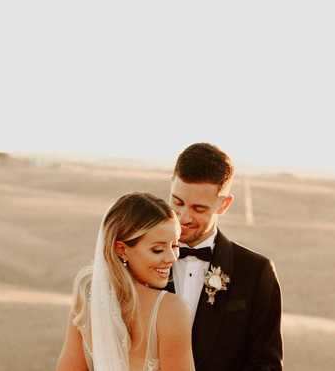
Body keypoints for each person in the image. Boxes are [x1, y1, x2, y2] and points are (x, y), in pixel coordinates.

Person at [166, 143, 283, 371]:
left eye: (199, 209)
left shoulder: (256, 272)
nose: (184, 217)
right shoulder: (139, 259)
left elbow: (266, 365)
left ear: (224, 204)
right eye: (177, 202)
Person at [56, 192, 194, 371]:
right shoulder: (171, 309)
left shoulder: (89, 293)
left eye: (175, 245)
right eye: (158, 249)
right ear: (121, 249)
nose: (172, 258)